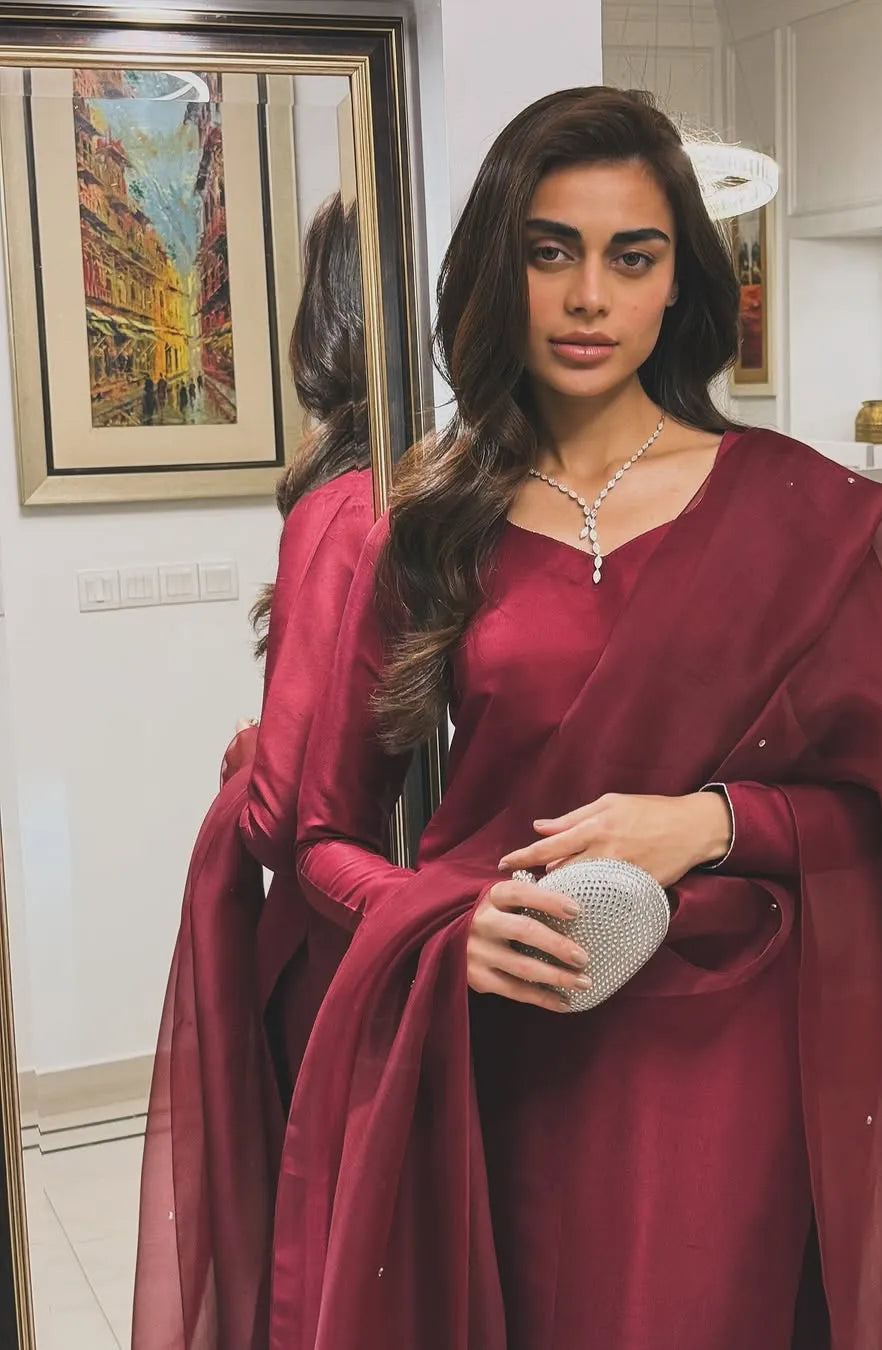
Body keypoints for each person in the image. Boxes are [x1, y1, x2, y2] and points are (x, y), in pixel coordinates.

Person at [270, 88, 882, 1350]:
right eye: (550, 251)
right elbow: (319, 836)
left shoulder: (796, 518)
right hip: (502, 1049)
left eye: (630, 257)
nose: (589, 296)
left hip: (729, 1072)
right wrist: (442, 922)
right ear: (499, 267)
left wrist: (712, 823)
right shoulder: (423, 524)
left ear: (678, 283)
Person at [132, 192, 374, 1350]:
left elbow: (284, 812)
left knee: (320, 1263)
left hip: (337, 955)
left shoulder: (338, 505)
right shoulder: (456, 494)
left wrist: (247, 751)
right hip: (398, 929)